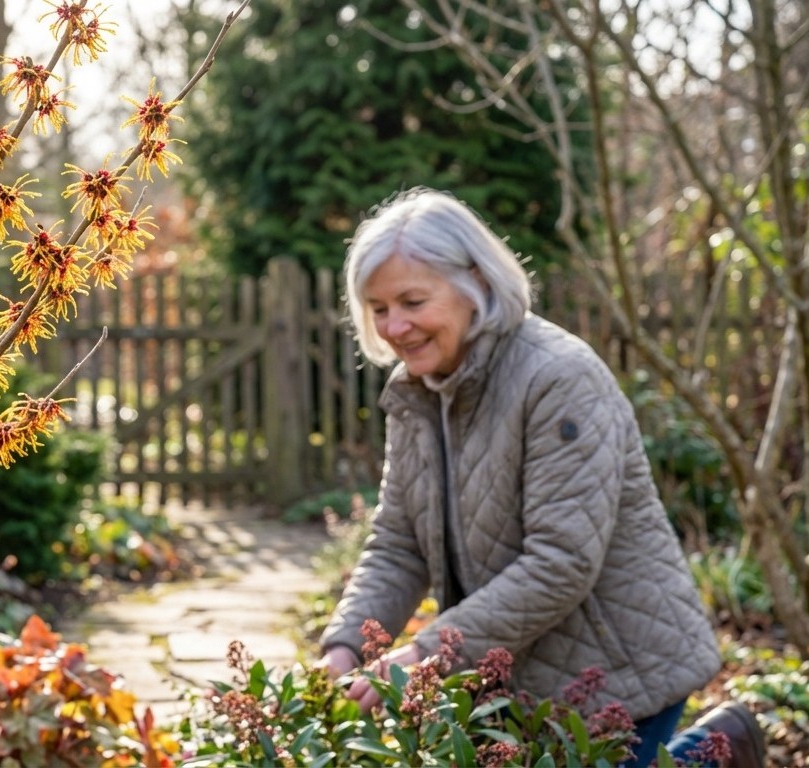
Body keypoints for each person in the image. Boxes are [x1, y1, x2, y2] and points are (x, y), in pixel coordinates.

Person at [317, 188, 766, 767]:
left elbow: (562, 559)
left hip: (618, 667)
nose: (395, 325)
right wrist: (345, 644)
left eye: (412, 300)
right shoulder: (419, 392)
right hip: (520, 672)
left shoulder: (558, 377)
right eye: (379, 308)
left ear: (474, 280)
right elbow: (398, 543)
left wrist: (430, 652)